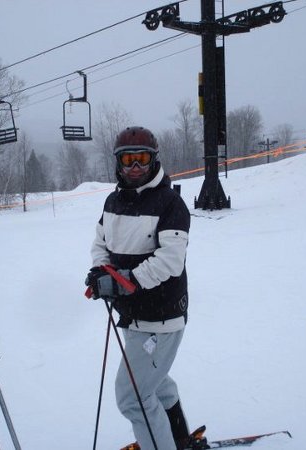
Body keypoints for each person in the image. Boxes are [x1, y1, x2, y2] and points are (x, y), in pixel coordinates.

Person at [85, 126, 200, 450]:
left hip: (160, 318)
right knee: (155, 381)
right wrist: (100, 272)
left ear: (153, 161)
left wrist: (123, 283)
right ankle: (178, 439)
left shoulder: (169, 203)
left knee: (134, 397)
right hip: (132, 315)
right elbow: (100, 242)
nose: (135, 166)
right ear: (118, 164)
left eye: (142, 159)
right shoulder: (113, 201)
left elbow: (170, 261)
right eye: (128, 159)